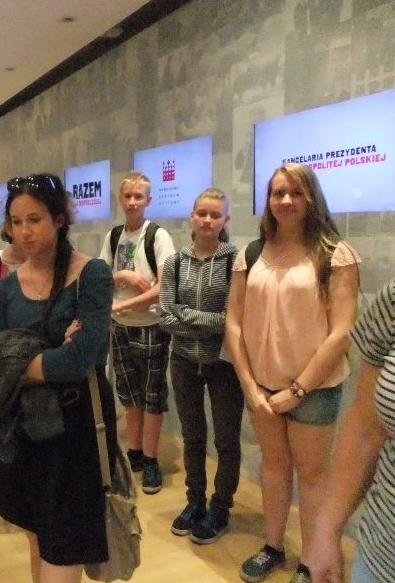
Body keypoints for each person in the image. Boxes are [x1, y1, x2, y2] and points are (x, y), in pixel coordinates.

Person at [225, 163, 360, 583]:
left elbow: (342, 332)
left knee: (313, 477)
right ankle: (273, 546)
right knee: (274, 466)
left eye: (296, 192)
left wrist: (298, 390)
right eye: (278, 192)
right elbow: (233, 322)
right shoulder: (251, 254)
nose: (285, 200)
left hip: (314, 390)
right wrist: (249, 385)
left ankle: (311, 562)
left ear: (311, 197)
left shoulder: (335, 254)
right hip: (262, 388)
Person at [0, 173, 116, 583]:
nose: (24, 231)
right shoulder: (7, 288)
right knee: (37, 536)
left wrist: (18, 364)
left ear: (59, 219)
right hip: (23, 429)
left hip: (75, 431)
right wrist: (53, 353)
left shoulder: (91, 274)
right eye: (16, 221)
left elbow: (78, 362)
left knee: (64, 546)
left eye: (35, 219)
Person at [158, 188, 243, 543]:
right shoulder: (174, 263)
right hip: (182, 360)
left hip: (223, 363)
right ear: (192, 216)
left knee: (226, 439)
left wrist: (186, 314)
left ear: (225, 220)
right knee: (193, 435)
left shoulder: (235, 262)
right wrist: (197, 319)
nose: (207, 220)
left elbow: (230, 320)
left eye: (215, 215)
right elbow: (164, 317)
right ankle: (195, 501)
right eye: (202, 213)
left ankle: (220, 508)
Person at [306, 280, 395, 583]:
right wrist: (327, 529)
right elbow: (366, 425)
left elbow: (340, 332)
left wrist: (297, 388)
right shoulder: (393, 299)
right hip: (380, 555)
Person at [99, 171, 175, 494]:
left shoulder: (157, 236)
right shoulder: (114, 236)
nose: (132, 202)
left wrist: (121, 306)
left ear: (148, 200)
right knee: (129, 393)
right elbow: (101, 277)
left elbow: (164, 287)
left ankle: (151, 457)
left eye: (138, 197)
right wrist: (125, 277)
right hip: (120, 328)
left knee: (152, 395)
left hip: (150, 326)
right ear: (120, 199)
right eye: (127, 196)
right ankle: (134, 451)